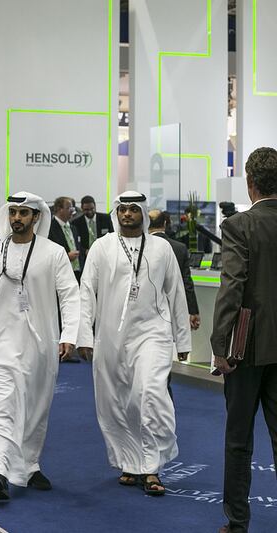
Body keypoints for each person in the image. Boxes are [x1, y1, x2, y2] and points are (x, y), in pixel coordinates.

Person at [0, 192, 80, 500]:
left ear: (36, 217)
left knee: (35, 410)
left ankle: (28, 465)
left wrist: (69, 335)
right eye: (13, 212)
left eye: (24, 213)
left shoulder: (53, 253)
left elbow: (69, 295)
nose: (17, 218)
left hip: (40, 348)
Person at [77, 191, 191, 497]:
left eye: (133, 209)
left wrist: (182, 336)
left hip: (153, 333)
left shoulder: (161, 248)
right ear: (117, 212)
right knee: (118, 402)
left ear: (143, 212)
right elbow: (86, 292)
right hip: (111, 336)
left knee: (150, 394)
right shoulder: (102, 247)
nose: (128, 214)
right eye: (123, 209)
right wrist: (83, 336)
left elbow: (176, 292)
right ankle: (131, 462)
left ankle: (152, 467)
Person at [211, 147, 277, 533]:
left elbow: (231, 287)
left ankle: (237, 523)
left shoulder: (238, 226)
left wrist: (220, 346)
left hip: (247, 349)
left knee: (239, 440)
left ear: (250, 183)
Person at [148, 209, 200, 332]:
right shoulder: (180, 248)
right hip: (174, 309)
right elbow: (187, 282)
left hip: (146, 311)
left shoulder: (139, 247)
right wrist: (193, 311)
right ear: (165, 224)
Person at [48, 196, 82, 282]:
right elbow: (48, 253)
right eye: (69, 208)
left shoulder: (73, 227)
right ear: (59, 209)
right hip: (60, 274)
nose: (72, 211)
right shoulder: (50, 228)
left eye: (72, 208)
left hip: (77, 273)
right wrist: (66, 256)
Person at [72, 194, 113, 264]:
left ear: (95, 206)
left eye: (92, 209)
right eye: (86, 210)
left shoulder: (106, 218)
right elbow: (75, 242)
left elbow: (112, 236)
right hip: (86, 258)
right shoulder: (76, 223)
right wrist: (84, 251)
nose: (90, 211)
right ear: (81, 208)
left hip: (105, 255)